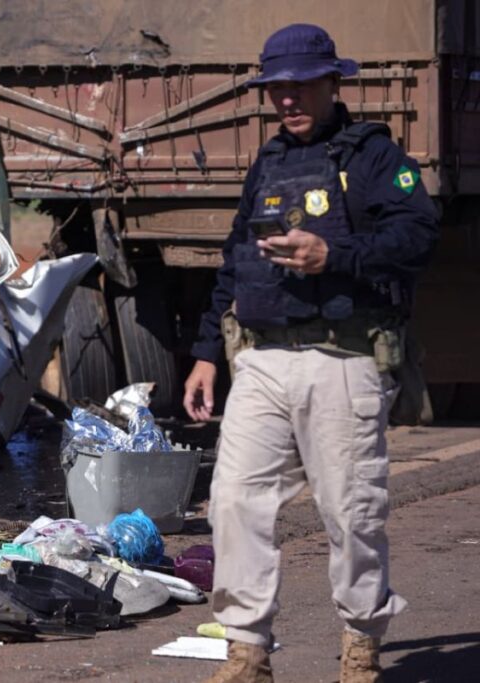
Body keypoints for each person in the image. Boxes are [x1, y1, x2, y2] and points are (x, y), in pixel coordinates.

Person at [182, 24, 439, 683]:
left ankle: (359, 648)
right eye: (276, 89)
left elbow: (418, 234)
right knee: (235, 502)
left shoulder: (374, 156)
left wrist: (338, 255)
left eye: (300, 86)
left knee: (351, 511)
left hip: (344, 358)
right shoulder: (268, 163)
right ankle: (246, 653)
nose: (287, 100)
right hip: (262, 361)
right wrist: (208, 350)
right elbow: (235, 260)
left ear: (332, 83)